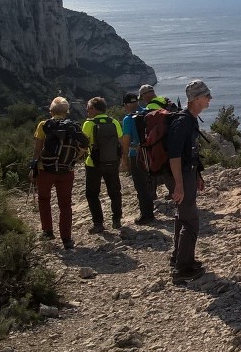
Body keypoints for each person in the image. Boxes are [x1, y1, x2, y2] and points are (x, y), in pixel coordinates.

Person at [168, 79, 213, 282]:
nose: (209, 99)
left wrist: (197, 175)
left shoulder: (191, 119)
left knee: (182, 217)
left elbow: (190, 153)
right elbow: (175, 155)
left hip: (187, 174)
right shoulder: (183, 121)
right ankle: (183, 269)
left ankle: (178, 257)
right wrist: (179, 184)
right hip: (180, 175)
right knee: (191, 221)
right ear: (195, 99)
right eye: (206, 96)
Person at [30, 96, 85, 250]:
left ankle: (47, 231)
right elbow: (84, 147)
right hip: (66, 170)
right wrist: (73, 159)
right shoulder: (74, 126)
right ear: (67, 111)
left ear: (51, 110)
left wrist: (33, 166)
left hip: (45, 169)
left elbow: (37, 149)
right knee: (65, 204)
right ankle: (66, 239)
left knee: (44, 199)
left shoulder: (43, 125)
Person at [83, 97, 124, 233]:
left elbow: (83, 144)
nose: (87, 111)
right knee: (115, 192)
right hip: (112, 162)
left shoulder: (88, 124)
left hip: (93, 163)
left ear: (94, 109)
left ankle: (98, 223)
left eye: (88, 108)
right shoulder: (114, 122)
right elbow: (120, 142)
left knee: (92, 194)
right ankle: (117, 220)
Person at [121, 92, 156, 224]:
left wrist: (124, 159)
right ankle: (150, 209)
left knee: (140, 186)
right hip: (151, 154)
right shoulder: (148, 112)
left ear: (126, 105)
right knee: (149, 182)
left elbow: (126, 139)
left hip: (136, 155)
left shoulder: (128, 119)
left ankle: (146, 215)